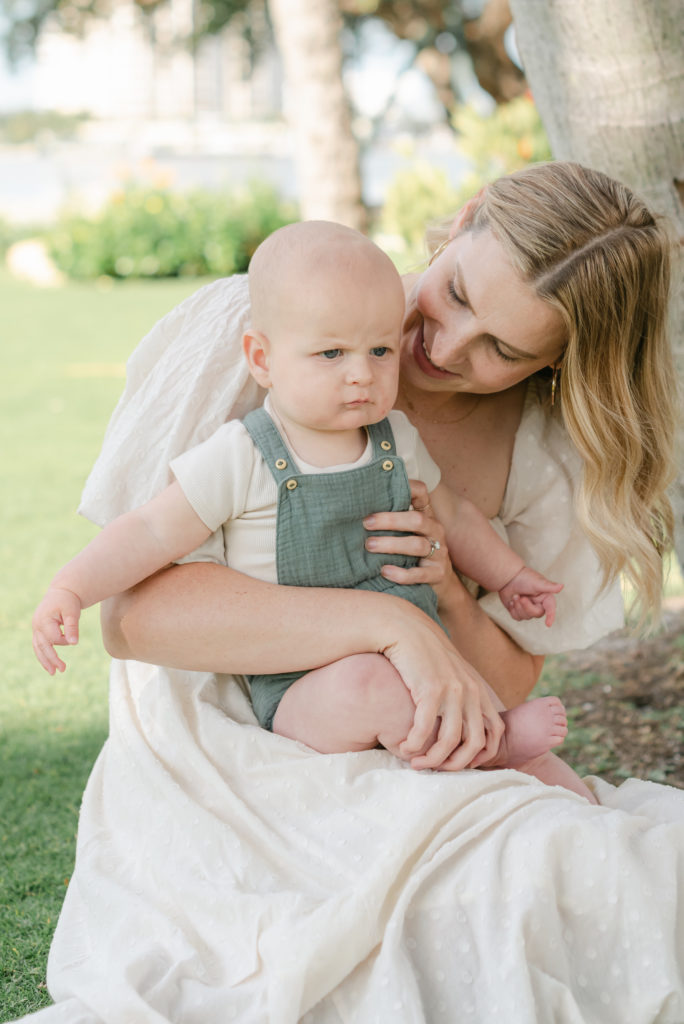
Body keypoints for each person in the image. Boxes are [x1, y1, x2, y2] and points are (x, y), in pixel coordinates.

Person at [22, 162, 684, 1024]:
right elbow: (139, 619)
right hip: (235, 749)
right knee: (462, 906)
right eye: (455, 296)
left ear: (559, 360)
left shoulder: (543, 448)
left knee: (596, 865)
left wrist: (446, 586)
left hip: (437, 739)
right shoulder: (267, 330)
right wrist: (384, 625)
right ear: (467, 216)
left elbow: (508, 679)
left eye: (504, 351)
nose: (444, 349)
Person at [33, 220, 575, 793]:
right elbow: (148, 529)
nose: (361, 374)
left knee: (456, 683)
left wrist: (510, 576)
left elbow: (456, 519)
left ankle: (512, 752)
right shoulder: (244, 452)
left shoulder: (396, 437)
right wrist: (71, 588)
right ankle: (490, 751)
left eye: (380, 350)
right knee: (367, 684)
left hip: (419, 656)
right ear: (261, 359)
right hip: (302, 679)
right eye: (332, 352)